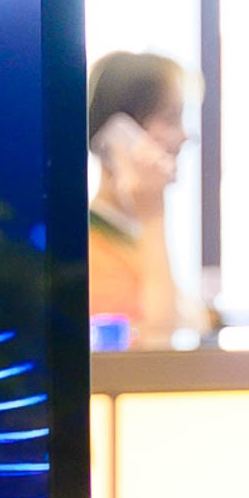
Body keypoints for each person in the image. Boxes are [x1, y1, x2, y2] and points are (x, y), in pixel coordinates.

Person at [86, 51, 194, 349]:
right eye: (170, 118)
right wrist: (153, 212)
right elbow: (156, 343)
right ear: (118, 134)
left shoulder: (129, 235)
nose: (184, 136)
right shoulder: (91, 247)